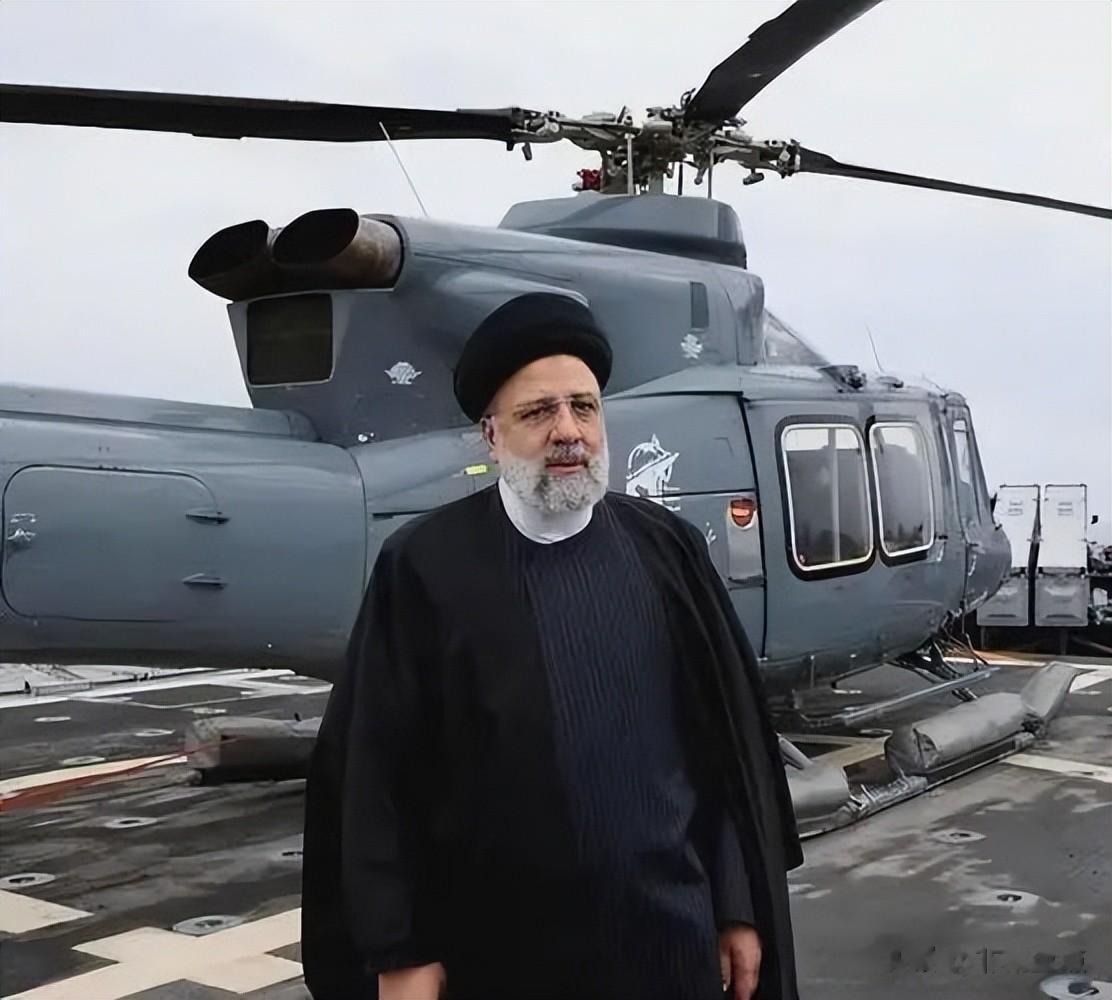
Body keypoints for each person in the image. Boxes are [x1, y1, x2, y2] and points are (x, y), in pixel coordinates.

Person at [301, 293, 803, 1000]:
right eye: (538, 412)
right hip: (501, 956)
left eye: (584, 408)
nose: (568, 432)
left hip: (669, 940)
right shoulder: (424, 567)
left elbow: (721, 752)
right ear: (491, 435)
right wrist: (401, 949)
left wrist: (737, 904)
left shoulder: (668, 552)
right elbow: (377, 773)